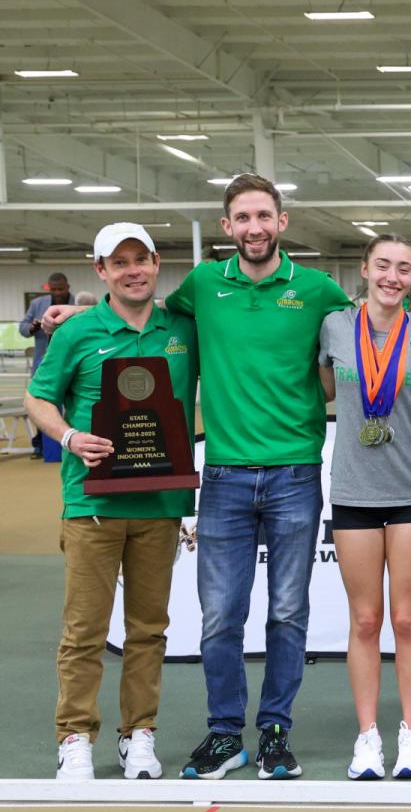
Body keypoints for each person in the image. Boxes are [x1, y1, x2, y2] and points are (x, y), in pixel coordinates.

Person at [162, 174, 352, 779]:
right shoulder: (201, 285)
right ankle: (225, 734)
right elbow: (149, 325)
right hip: (221, 476)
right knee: (219, 616)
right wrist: (77, 314)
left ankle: (274, 731)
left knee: (288, 613)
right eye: (242, 218)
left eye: (263, 216)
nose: (253, 228)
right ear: (226, 227)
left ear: (282, 222)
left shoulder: (319, 290)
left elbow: (373, 336)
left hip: (296, 472)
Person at [24, 224, 197, 781]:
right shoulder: (79, 333)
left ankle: (138, 735)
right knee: (85, 631)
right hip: (90, 503)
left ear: (155, 261)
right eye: (118, 262)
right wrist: (70, 437)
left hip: (161, 507)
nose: (132, 270)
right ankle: (75, 736)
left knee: (149, 630)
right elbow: (38, 396)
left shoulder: (184, 327)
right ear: (100, 271)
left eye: (140, 259)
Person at [318, 235, 411, 780]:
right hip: (354, 491)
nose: (393, 276)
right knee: (365, 620)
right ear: (364, 268)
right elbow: (324, 385)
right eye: (383, 265)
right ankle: (368, 736)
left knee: (407, 619)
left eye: (404, 268)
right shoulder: (335, 327)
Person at [19, 272, 73, 456]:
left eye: (61, 289)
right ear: (49, 288)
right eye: (54, 289)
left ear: (68, 287)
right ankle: (40, 446)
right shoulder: (37, 304)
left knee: (73, 403)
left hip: (71, 363)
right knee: (42, 403)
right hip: (45, 361)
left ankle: (71, 442)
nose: (57, 292)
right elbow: (23, 329)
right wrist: (32, 327)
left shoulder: (76, 305)